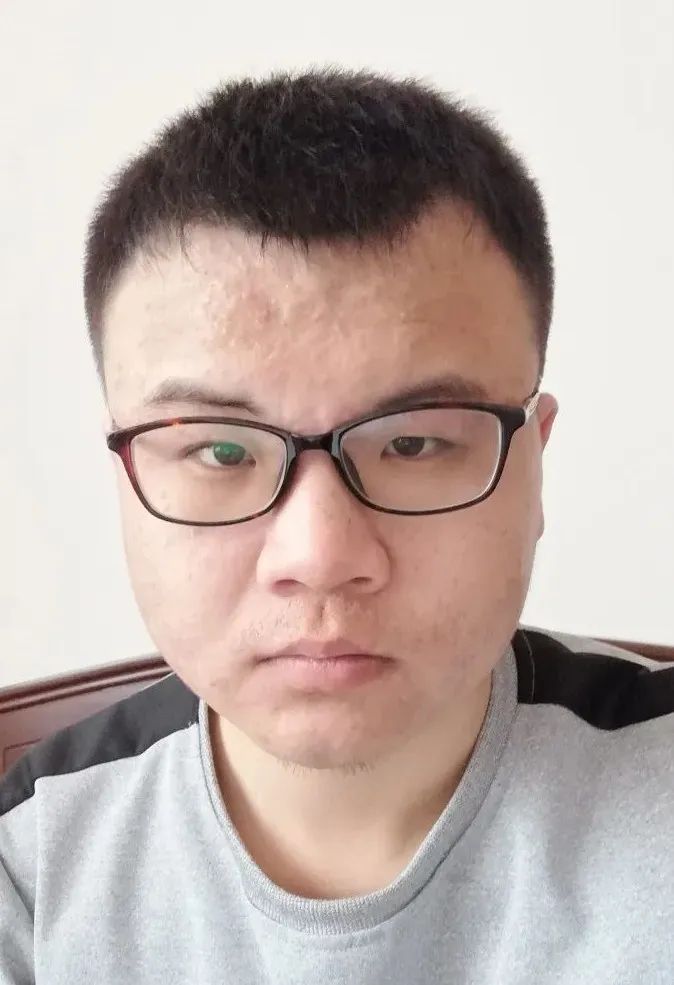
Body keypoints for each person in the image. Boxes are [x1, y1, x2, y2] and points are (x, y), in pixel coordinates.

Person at [1, 69, 673, 984]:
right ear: (123, 472)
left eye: (415, 442)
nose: (319, 557)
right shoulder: (32, 871)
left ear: (535, 462)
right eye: (222, 451)